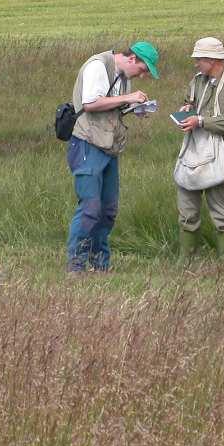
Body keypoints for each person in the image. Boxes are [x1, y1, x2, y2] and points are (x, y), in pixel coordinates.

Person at [66, 41, 160, 275]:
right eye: (142, 69)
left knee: (108, 209)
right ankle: (76, 265)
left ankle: (100, 264)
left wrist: (135, 108)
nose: (142, 75)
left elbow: (110, 106)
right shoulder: (98, 66)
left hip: (108, 146)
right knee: (90, 207)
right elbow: (90, 104)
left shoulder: (122, 74)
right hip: (87, 143)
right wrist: (128, 98)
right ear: (131, 59)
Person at [175, 37, 224, 262]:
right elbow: (190, 101)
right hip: (193, 154)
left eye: (199, 59)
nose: (196, 64)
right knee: (187, 210)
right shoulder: (198, 80)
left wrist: (201, 121)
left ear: (212, 59)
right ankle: (185, 262)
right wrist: (187, 108)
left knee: (222, 213)